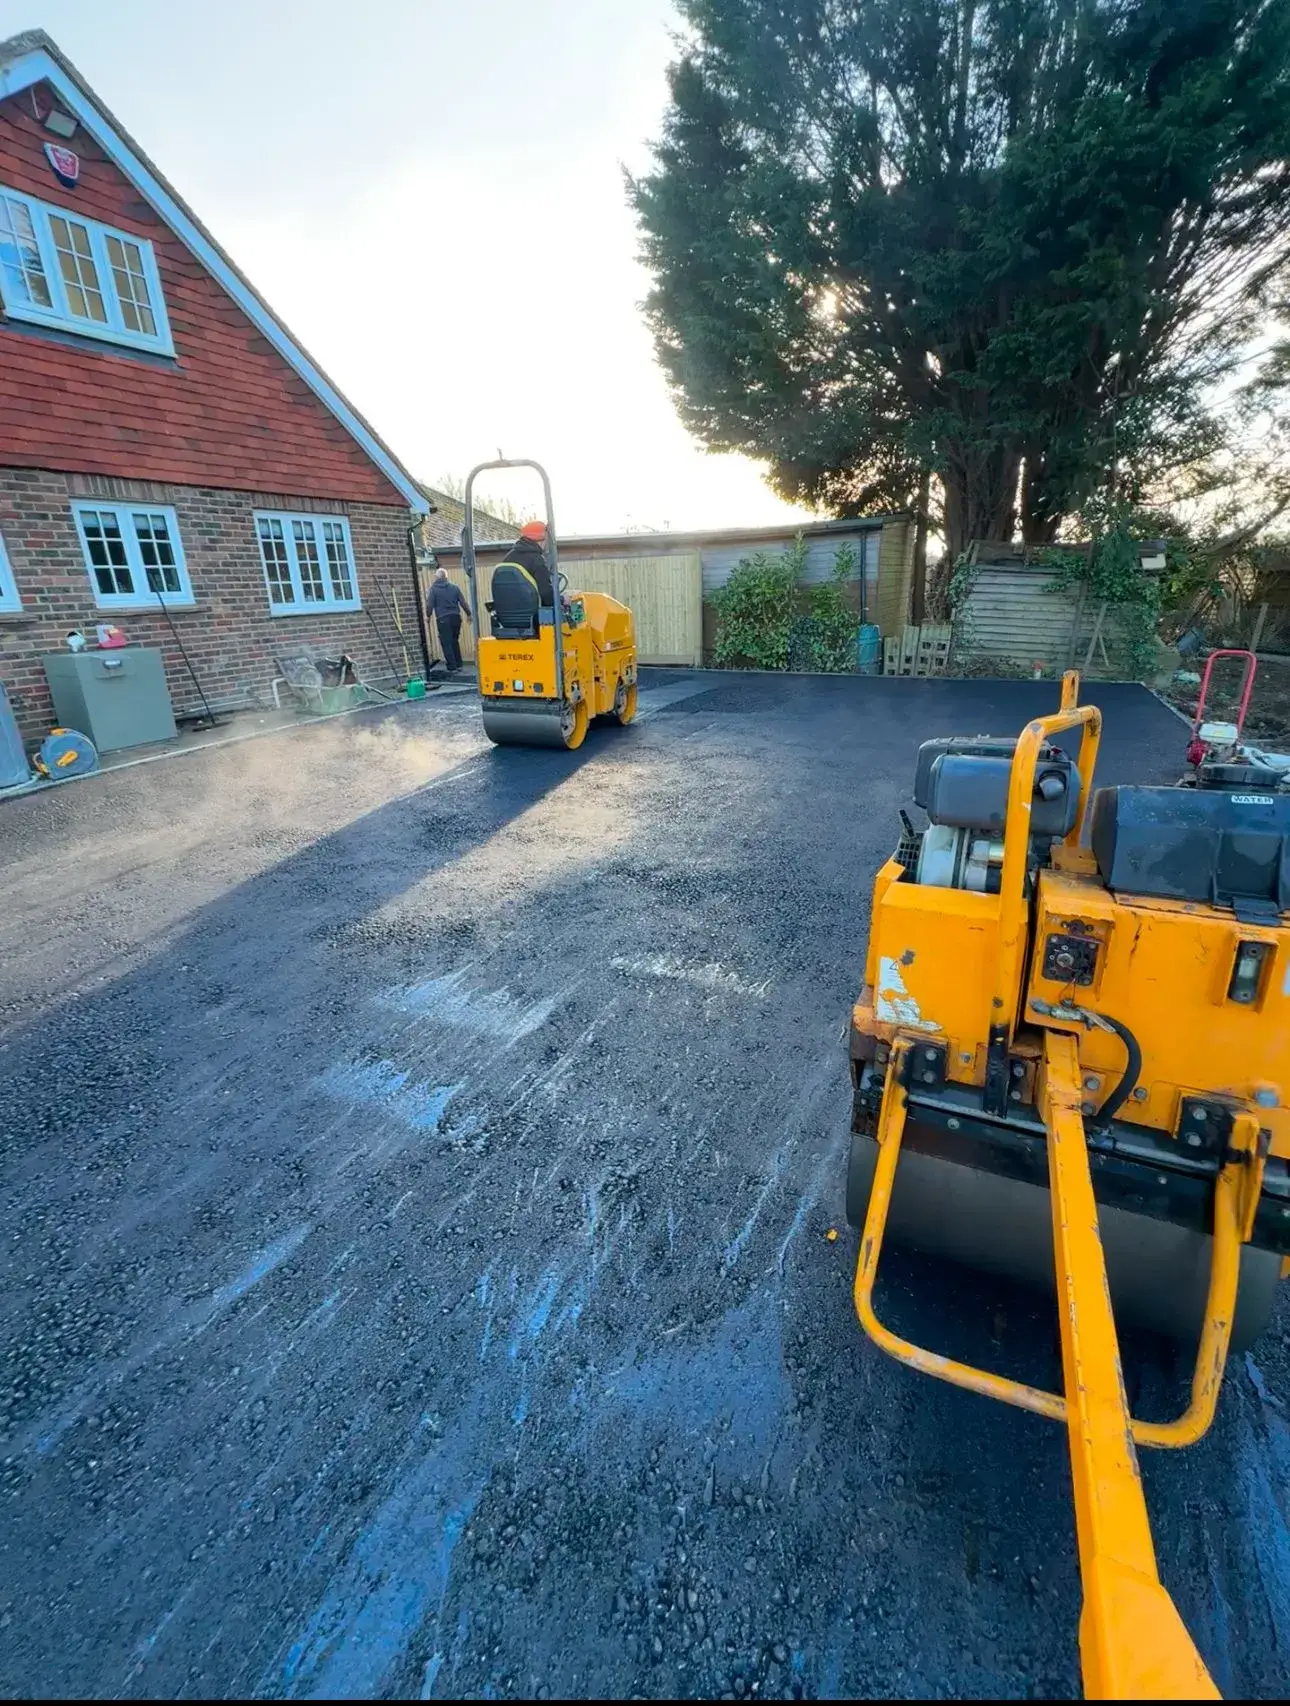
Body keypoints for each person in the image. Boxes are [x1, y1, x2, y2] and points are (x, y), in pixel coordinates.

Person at [426, 566, 472, 674]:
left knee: (446, 643)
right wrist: (469, 614)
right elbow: (463, 602)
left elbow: (429, 605)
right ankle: (459, 665)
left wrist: (428, 616)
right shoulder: (455, 587)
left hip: (443, 619)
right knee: (454, 641)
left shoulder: (433, 589)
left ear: (436, 577)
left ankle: (452, 667)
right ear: (446, 577)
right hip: (456, 618)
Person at [504, 520, 555, 607]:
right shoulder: (537, 560)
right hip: (531, 612)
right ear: (542, 540)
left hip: (506, 611)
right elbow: (547, 598)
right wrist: (562, 599)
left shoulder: (508, 557)